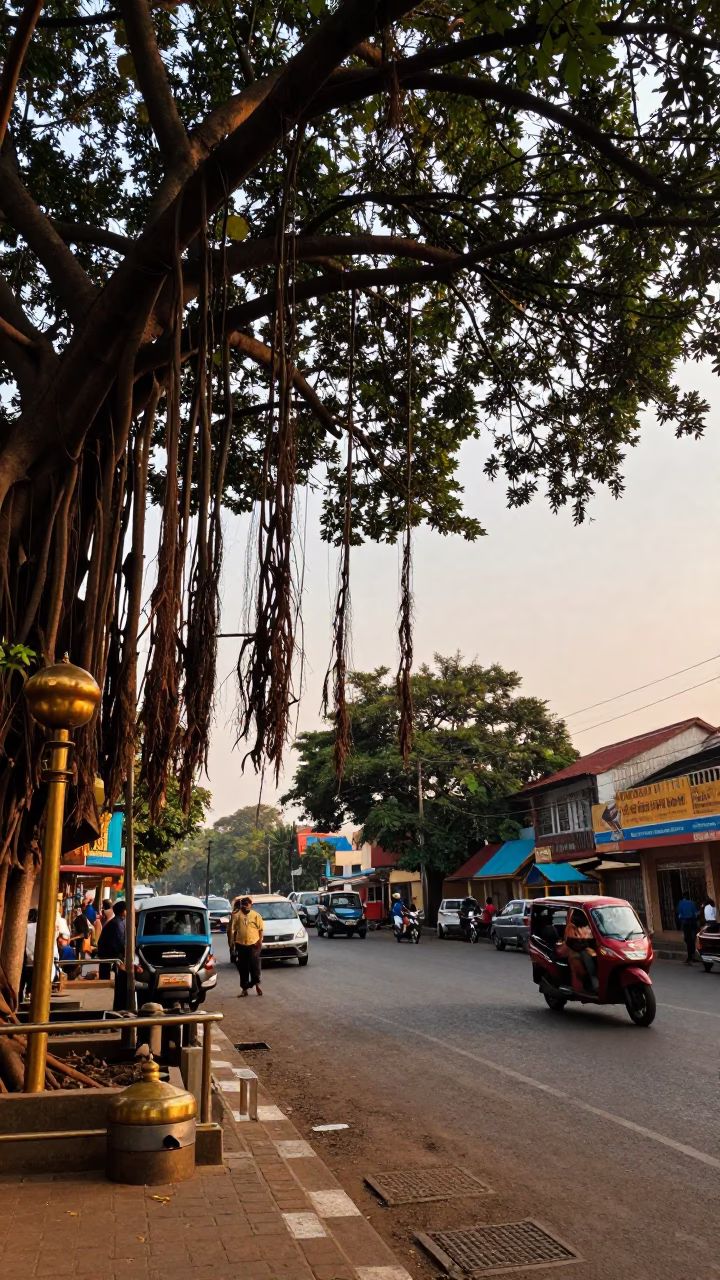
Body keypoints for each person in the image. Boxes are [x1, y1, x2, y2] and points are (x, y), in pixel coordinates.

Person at [229, 896, 264, 997]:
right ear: (241, 906)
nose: (245, 906)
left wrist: (260, 941)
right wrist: (233, 944)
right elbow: (234, 931)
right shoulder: (237, 916)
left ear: (250, 905)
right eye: (243, 904)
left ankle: (256, 985)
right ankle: (244, 989)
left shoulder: (256, 916)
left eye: (246, 904)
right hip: (241, 945)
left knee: (255, 966)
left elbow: (260, 929)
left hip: (254, 944)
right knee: (243, 968)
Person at [97, 900, 127, 1009]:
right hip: (109, 953)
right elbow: (120, 941)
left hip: (108, 951)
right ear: (124, 911)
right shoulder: (117, 923)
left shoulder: (118, 922)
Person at [563, 908, 598, 993]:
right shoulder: (571, 927)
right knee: (582, 964)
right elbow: (571, 942)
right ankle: (589, 986)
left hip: (589, 948)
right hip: (574, 949)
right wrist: (584, 945)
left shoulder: (591, 925)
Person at [19, 908, 37, 1002]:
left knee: (23, 980)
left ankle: (22, 996)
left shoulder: (26, 927)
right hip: (36, 959)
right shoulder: (39, 926)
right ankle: (29, 993)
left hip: (26, 958)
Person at [677, 892, 699, 964]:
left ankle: (690, 958)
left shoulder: (681, 903)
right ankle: (693, 956)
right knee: (693, 939)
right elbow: (696, 914)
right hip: (693, 922)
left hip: (685, 922)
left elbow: (680, 914)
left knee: (688, 939)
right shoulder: (693, 903)